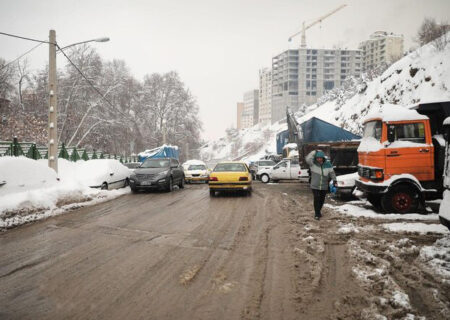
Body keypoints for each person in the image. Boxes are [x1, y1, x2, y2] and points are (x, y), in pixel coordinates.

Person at [305, 150, 337, 220]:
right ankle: (317, 214)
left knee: (322, 200)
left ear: (323, 158)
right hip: (315, 185)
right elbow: (308, 159)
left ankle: (318, 211)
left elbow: (332, 172)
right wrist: (313, 152)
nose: (319, 159)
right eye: (317, 158)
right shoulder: (313, 164)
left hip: (324, 185)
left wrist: (334, 180)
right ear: (316, 158)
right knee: (316, 198)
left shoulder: (328, 164)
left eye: (320, 158)